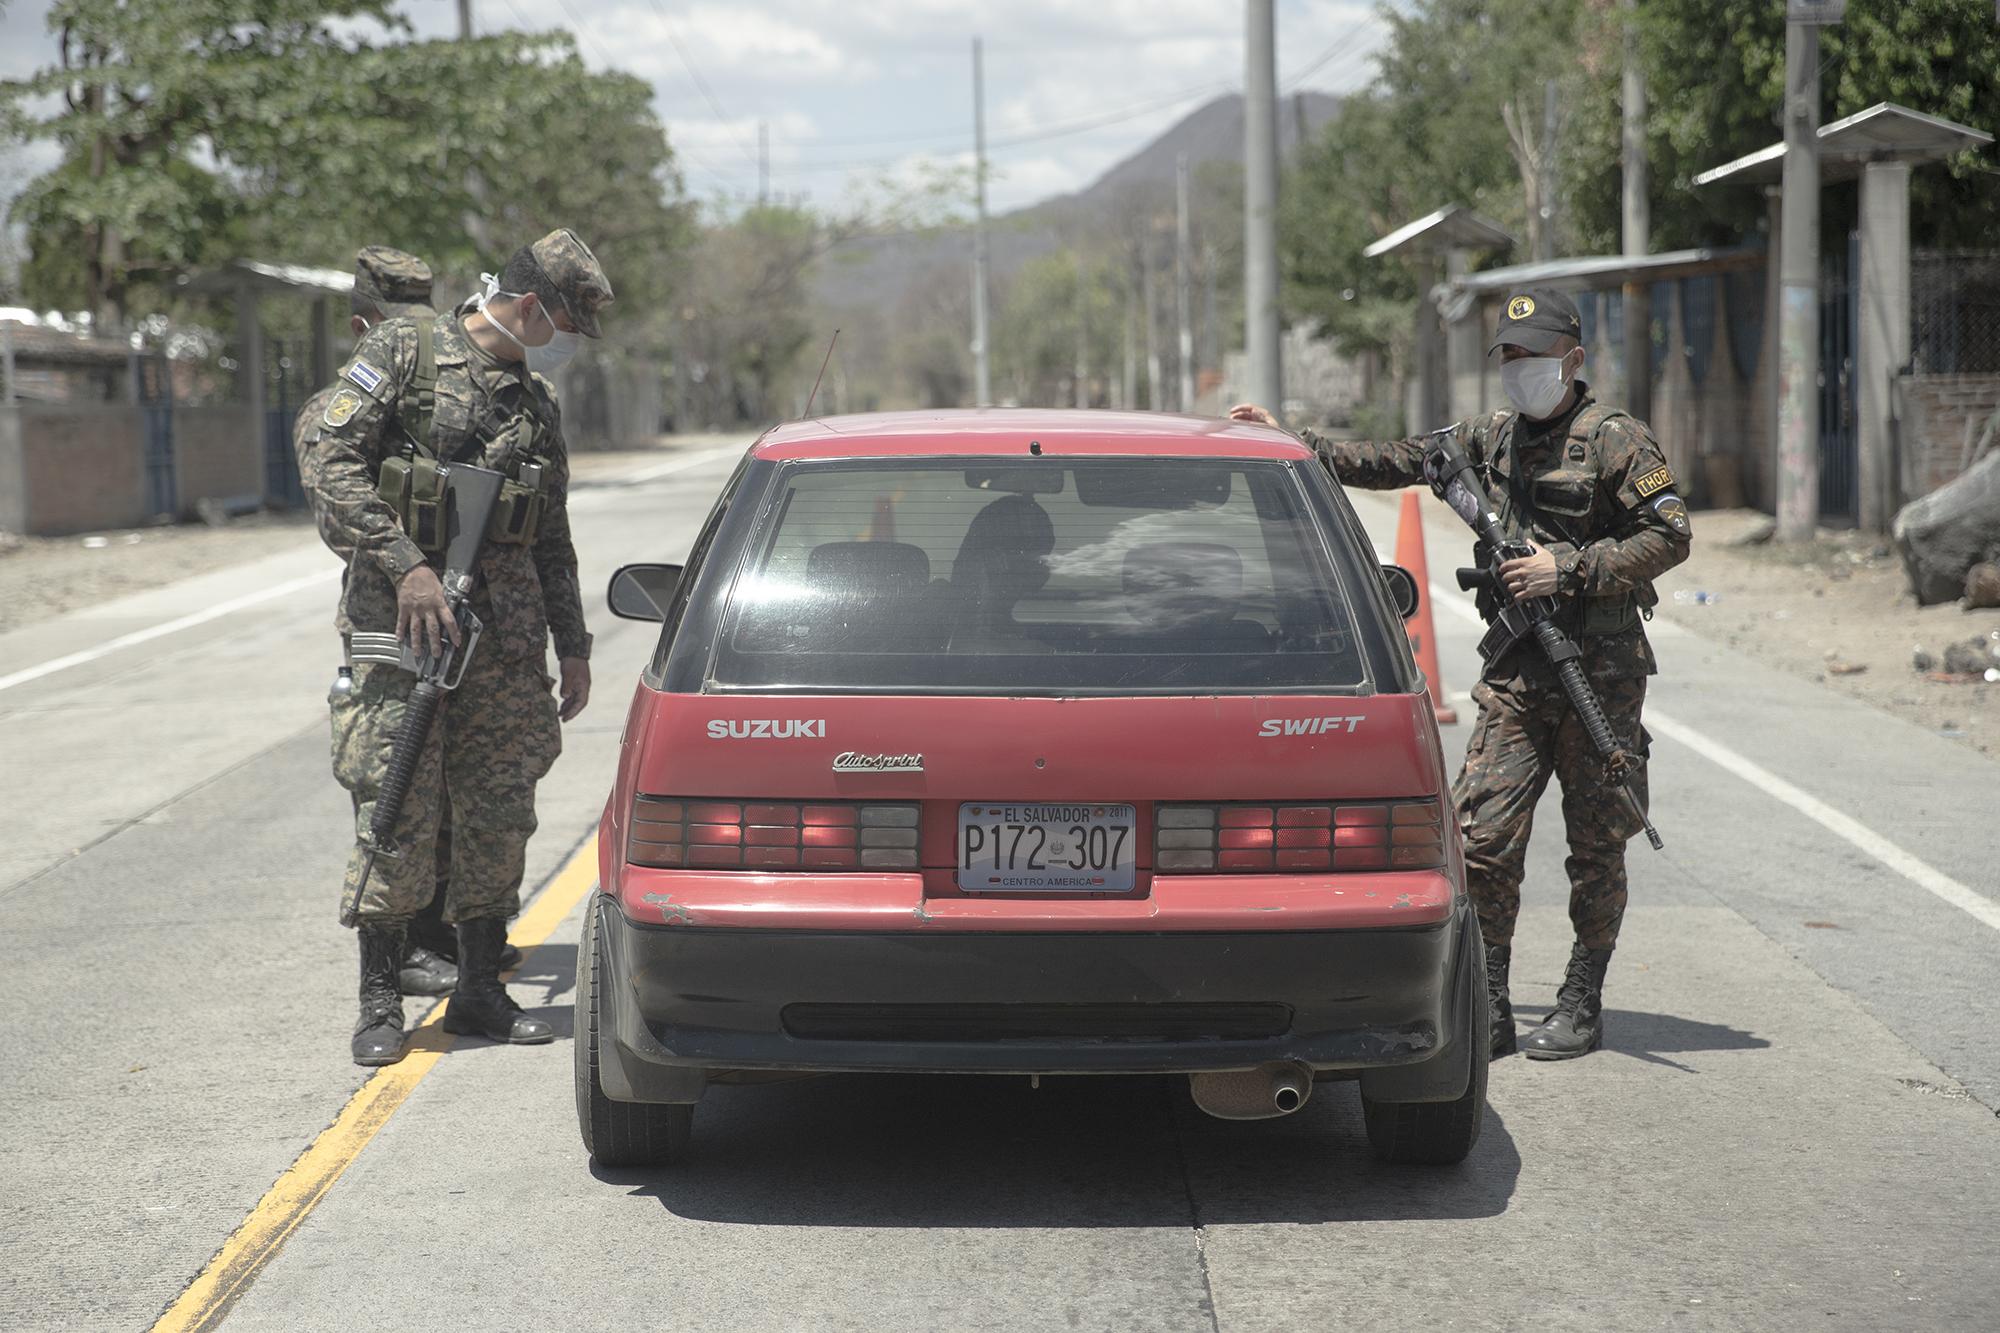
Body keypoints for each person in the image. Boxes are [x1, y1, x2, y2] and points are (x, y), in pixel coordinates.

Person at [1230, 286, 1691, 1060]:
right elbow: (1398, 459)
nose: (1519, 369)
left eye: (1533, 356)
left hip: (1599, 674)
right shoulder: (1490, 437)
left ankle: (1583, 998)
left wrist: (1568, 568)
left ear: (1573, 360)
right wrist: (1296, 442)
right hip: (1519, 670)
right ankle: (1493, 998)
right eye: (1509, 356)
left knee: (1596, 843)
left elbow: (1670, 534)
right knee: (1483, 838)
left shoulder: (1616, 439)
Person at [301, 229, 610, 1066]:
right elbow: (327, 456)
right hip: (406, 632)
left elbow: (552, 536)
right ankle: (377, 998)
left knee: (496, 816)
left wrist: (573, 644)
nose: (569, 342)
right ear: (532, 305)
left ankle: (478, 988)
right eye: (566, 323)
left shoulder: (534, 401)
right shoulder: (407, 349)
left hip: (504, 648)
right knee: (396, 807)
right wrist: (405, 567)